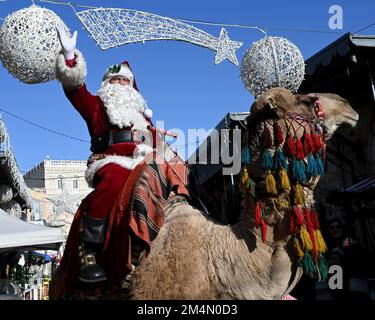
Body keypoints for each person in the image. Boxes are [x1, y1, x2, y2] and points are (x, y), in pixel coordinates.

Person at [55, 24, 155, 284]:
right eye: (115, 80)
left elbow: (153, 142)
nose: (120, 85)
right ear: (106, 85)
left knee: (174, 176)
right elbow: (75, 89)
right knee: (115, 178)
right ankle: (90, 248)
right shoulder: (96, 106)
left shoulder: (142, 116)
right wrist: (69, 58)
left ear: (133, 88)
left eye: (125, 81)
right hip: (109, 161)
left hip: (143, 161)